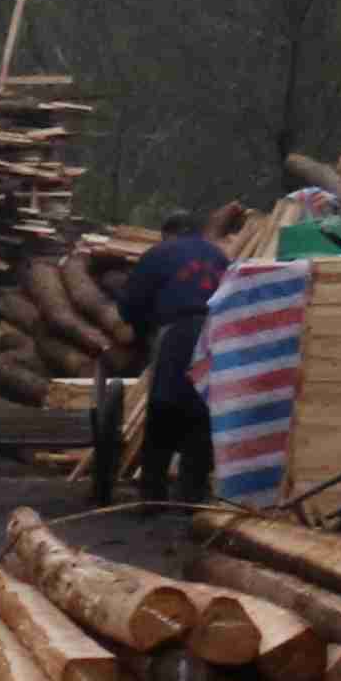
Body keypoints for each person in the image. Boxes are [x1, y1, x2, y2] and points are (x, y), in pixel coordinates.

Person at [114, 201, 231, 499]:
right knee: (202, 409)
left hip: (177, 334)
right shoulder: (219, 255)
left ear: (167, 233)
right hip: (215, 334)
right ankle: (191, 496)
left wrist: (142, 335)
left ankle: (152, 495)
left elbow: (131, 303)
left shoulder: (159, 253)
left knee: (164, 409)